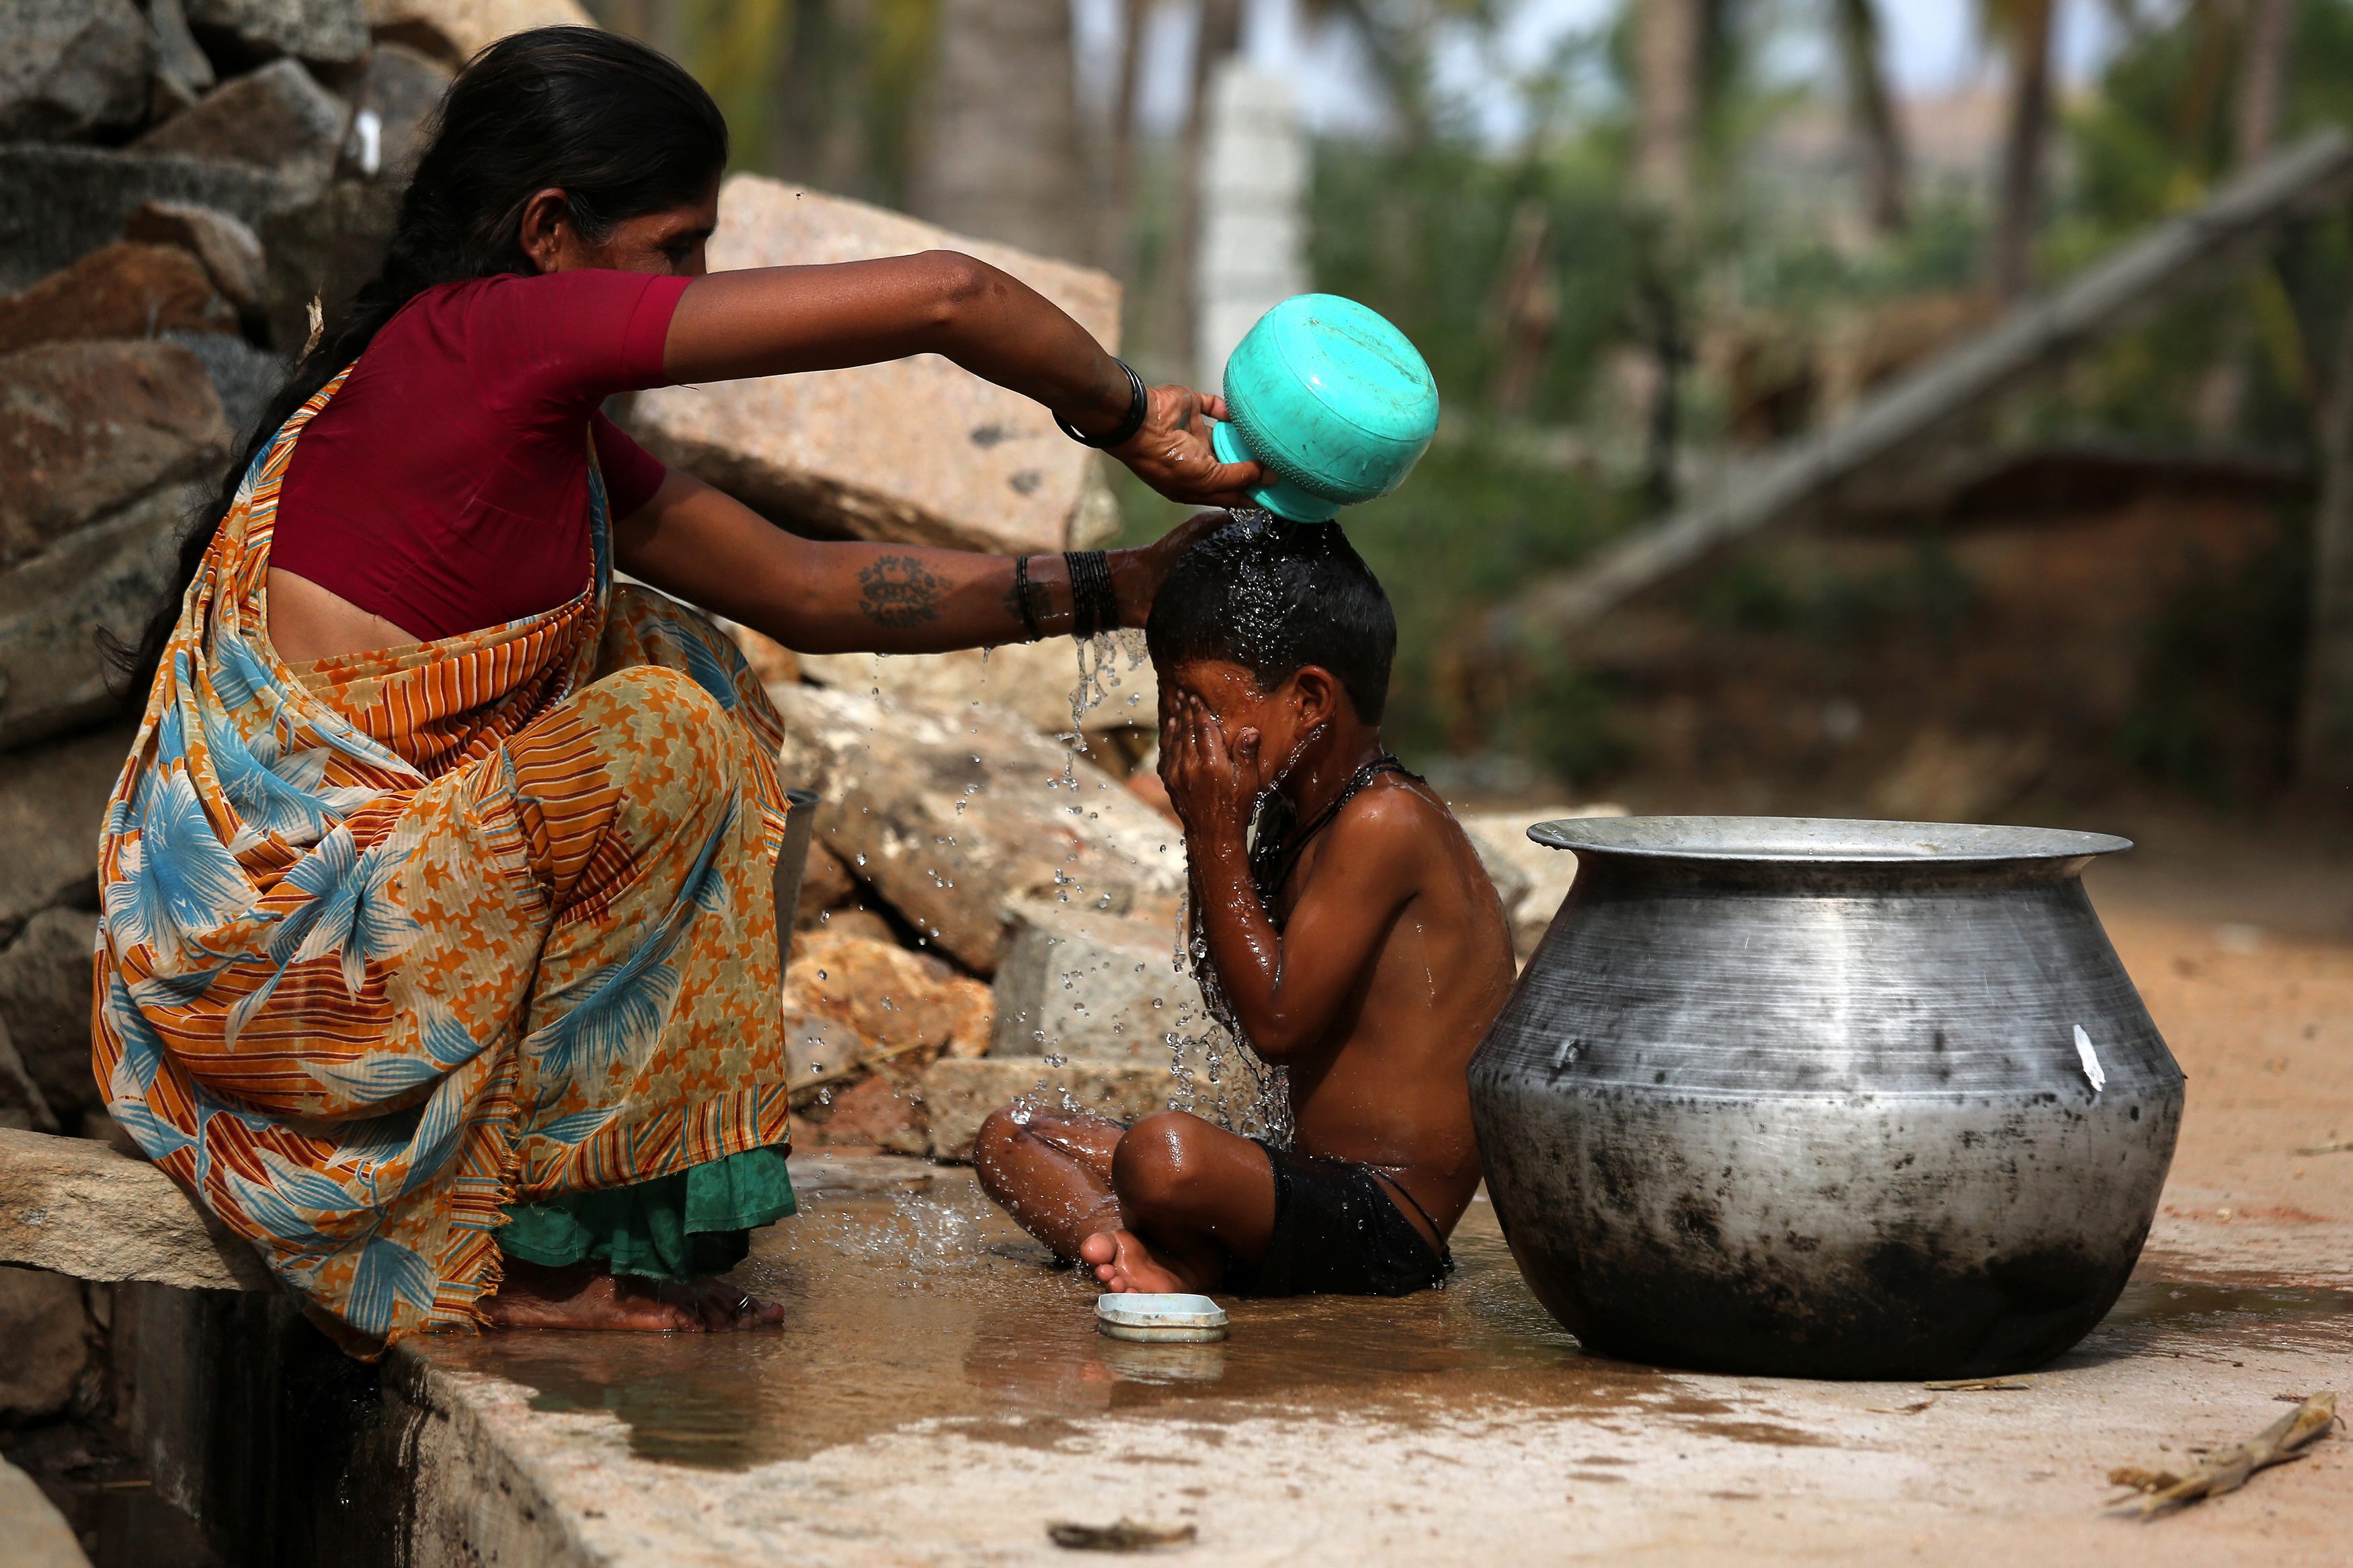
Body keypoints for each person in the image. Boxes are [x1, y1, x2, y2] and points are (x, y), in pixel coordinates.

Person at [90, 26, 1258, 1354]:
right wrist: (1124, 414)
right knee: (661, 729)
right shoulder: (479, 347)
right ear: (547, 230)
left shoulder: (524, 421)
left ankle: (562, 1209)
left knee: (674, 654)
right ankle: (540, 1261)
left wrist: (1126, 585)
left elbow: (806, 587)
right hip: (285, 990)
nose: (697, 284)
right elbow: (949, 297)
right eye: (676, 245)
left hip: (348, 958)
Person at [972, 513, 1518, 1296]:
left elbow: (1273, 1026)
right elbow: (1226, 989)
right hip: (1298, 1191)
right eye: (1172, 705)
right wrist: (1219, 835)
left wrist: (1214, 829)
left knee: (1162, 1156)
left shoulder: (1384, 821)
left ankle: (1155, 1251)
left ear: (1306, 702)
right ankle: (1137, 1248)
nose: (1181, 733)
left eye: (1199, 705)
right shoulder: (1297, 814)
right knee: (1009, 1136)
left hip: (1382, 1222)